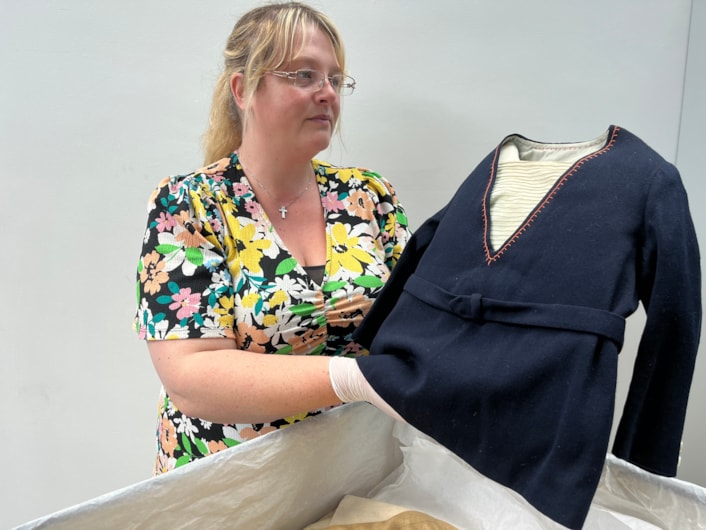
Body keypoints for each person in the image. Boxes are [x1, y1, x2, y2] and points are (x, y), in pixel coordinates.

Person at [134, 1, 410, 474]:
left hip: (351, 471)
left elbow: (421, 322)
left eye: (335, 79)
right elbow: (193, 376)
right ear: (243, 90)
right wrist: (349, 377)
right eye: (304, 75)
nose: (327, 93)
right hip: (230, 485)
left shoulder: (368, 195)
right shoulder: (190, 204)